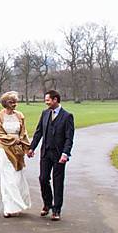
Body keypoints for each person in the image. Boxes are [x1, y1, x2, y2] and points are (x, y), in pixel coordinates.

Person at [27, 89, 74, 221]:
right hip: (46, 153)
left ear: (55, 100)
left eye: (48, 100)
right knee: (43, 178)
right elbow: (38, 132)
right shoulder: (45, 113)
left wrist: (66, 153)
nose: (46, 102)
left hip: (59, 155)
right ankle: (47, 204)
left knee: (58, 182)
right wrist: (32, 148)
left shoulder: (67, 116)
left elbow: (69, 138)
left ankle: (56, 209)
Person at [0, 91, 32, 217]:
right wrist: (13, 140)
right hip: (4, 149)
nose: (14, 104)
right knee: (7, 177)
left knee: (18, 177)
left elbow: (24, 133)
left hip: (17, 150)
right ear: (5, 103)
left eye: (15, 101)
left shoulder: (20, 115)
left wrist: (27, 147)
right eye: (11, 102)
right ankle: (9, 207)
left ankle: (18, 205)